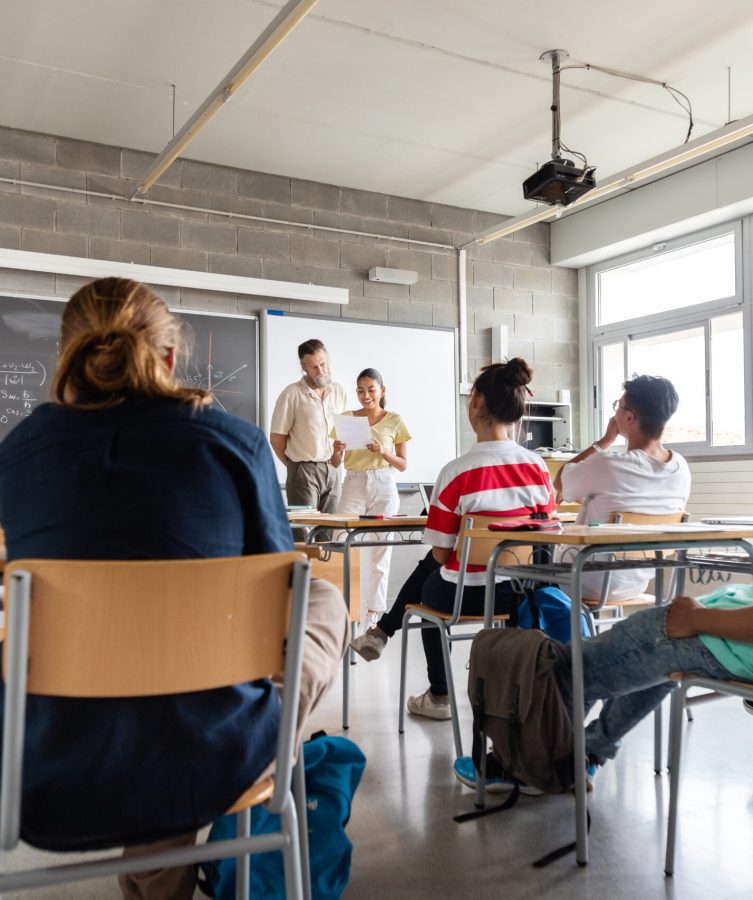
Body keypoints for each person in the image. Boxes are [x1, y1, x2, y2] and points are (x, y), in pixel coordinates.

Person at [0, 278, 349, 900]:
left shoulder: (16, 454)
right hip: (215, 751)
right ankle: (275, 743)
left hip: (41, 760)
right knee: (320, 595)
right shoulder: (231, 442)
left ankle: (158, 864)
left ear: (68, 355)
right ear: (167, 359)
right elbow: (276, 601)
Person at [350, 358, 556, 720]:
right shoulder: (538, 467)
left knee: (432, 582)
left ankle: (439, 694)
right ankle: (382, 634)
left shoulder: (456, 471)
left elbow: (443, 554)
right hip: (520, 592)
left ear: (475, 401)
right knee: (434, 572)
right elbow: (546, 539)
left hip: (467, 593)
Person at [555, 584, 753, 770]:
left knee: (573, 670)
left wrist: (693, 617)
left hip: (731, 640)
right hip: (731, 630)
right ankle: (587, 752)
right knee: (655, 667)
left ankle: (546, 760)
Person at [554, 374, 691, 600]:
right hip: (637, 582)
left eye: (618, 406)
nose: (614, 412)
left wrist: (603, 442)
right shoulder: (681, 468)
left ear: (630, 418)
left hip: (584, 578)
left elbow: (560, 480)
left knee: (528, 576)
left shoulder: (608, 463)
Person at [331, 367, 411, 628]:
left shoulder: (394, 420)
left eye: (371, 390)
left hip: (383, 483)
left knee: (380, 552)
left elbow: (402, 465)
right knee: (339, 542)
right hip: (353, 481)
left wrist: (384, 451)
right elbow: (334, 463)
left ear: (382, 391)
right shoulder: (346, 418)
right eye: (361, 390)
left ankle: (373, 614)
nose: (365, 395)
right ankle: (343, 609)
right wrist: (336, 450)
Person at [270, 338, 347, 512]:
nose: (320, 371)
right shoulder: (291, 394)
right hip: (304, 470)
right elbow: (276, 439)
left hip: (334, 469)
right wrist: (296, 468)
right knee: (305, 531)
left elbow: (344, 430)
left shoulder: (339, 392)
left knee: (330, 531)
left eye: (323, 364)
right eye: (313, 367)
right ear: (303, 368)